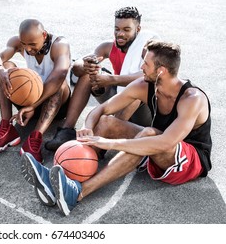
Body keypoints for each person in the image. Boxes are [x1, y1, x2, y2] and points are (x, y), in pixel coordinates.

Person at [21, 40, 212, 215]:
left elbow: (165, 142)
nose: (141, 67)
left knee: (148, 134)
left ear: (161, 70)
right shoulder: (145, 85)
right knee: (106, 122)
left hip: (189, 160)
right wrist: (88, 127)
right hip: (157, 142)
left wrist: (109, 143)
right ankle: (56, 179)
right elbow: (103, 109)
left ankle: (78, 192)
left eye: (146, 63)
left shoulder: (192, 99)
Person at [45, 7, 159, 152]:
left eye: (126, 29)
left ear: (138, 29)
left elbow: (148, 77)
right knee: (88, 73)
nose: (120, 34)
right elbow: (77, 67)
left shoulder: (146, 49)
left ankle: (106, 136)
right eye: (117, 29)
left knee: (138, 87)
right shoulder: (108, 47)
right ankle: (67, 130)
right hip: (120, 98)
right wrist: (87, 65)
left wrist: (111, 79)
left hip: (143, 111)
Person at [0, 19, 71, 162]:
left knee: (59, 84)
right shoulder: (18, 42)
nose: (28, 49)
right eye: (24, 44)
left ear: (44, 35)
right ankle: (7, 128)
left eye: (32, 44)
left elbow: (60, 74)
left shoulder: (59, 45)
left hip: (56, 105)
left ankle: (35, 138)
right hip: (30, 100)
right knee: (7, 70)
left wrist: (33, 105)